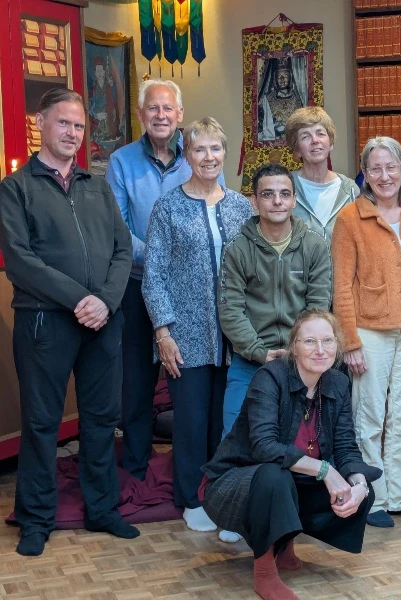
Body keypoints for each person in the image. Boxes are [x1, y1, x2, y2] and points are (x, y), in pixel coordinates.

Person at [0, 88, 136, 556]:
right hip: (44, 323)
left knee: (101, 419)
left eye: (79, 126)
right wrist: (82, 299)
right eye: (64, 123)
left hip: (104, 322)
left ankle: (102, 509)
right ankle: (36, 518)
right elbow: (19, 261)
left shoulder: (96, 183)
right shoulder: (15, 188)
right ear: (41, 123)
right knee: (41, 423)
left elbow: (123, 249)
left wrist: (106, 302)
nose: (73, 133)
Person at [201, 310, 381, 600]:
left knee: (363, 488)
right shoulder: (269, 377)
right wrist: (326, 471)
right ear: (294, 347)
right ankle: (264, 573)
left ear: (337, 345)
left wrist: (358, 484)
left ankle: (284, 547)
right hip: (237, 482)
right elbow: (264, 448)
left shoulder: (338, 382)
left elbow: (347, 446)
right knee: (276, 475)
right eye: (309, 341)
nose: (320, 350)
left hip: (287, 481)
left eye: (327, 341)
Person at [106, 79, 221, 481]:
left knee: (192, 380)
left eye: (167, 108)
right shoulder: (121, 162)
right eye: (153, 109)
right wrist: (157, 261)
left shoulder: (197, 154)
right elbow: (117, 229)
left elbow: (214, 211)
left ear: (180, 114)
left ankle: (198, 467)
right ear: (141, 115)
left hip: (194, 292)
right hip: (137, 285)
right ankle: (136, 465)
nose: (160, 115)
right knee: (137, 380)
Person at [142, 117, 253, 532]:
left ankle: (222, 495)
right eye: (199, 149)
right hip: (185, 337)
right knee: (189, 422)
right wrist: (163, 332)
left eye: (215, 149)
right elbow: (153, 275)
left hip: (235, 337)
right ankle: (191, 497)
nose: (209, 157)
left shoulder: (241, 206)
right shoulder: (168, 207)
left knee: (227, 423)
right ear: (186, 155)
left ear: (225, 153)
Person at [216, 164, 331, 542]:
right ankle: (235, 516)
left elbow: (318, 306)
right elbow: (230, 308)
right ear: (254, 200)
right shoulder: (239, 247)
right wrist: (260, 351)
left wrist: (298, 352)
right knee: (236, 438)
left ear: (294, 199)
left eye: (284, 193)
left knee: (294, 440)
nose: (277, 201)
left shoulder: (313, 244)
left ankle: (290, 515)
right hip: (251, 362)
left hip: (302, 365)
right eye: (267, 194)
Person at [331, 136, 401, 528]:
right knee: (369, 416)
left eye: (391, 167)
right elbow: (341, 285)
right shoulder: (350, 218)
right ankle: (371, 499)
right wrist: (350, 341)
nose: (384, 175)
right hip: (369, 331)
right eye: (375, 168)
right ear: (365, 173)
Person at [285, 106, 359, 244]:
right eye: (305, 136)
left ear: (330, 143)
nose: (315, 140)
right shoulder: (286, 188)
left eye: (320, 134)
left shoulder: (350, 190)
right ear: (297, 149)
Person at [258, 57, 304, 142]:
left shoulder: (299, 98)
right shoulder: (268, 99)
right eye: (279, 76)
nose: (282, 79)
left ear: (290, 78)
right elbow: (267, 127)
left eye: (285, 76)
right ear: (275, 79)